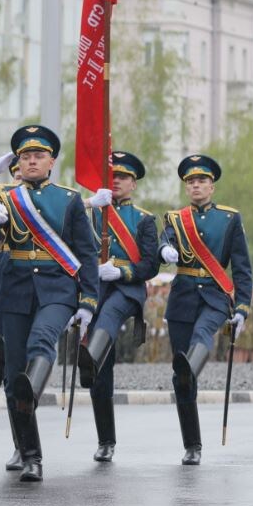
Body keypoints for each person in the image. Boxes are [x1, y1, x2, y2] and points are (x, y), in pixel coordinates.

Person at [0, 125, 99, 482]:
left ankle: (29, 402)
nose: (32, 161)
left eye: (39, 156)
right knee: (14, 373)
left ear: (51, 162)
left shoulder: (69, 199)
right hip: (14, 288)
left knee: (42, 342)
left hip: (56, 289)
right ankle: (27, 450)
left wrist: (88, 300)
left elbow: (87, 252)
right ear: (18, 163)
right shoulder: (2, 196)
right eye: (26, 156)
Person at [159, 154, 252, 465]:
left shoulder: (229, 219)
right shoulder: (174, 219)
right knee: (182, 379)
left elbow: (242, 268)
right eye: (191, 182)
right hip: (182, 299)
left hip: (214, 296)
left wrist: (242, 307)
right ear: (187, 188)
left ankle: (191, 367)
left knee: (202, 335)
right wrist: (164, 249)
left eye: (202, 181)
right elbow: (164, 241)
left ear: (212, 186)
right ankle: (192, 445)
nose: (196, 185)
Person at [78, 151, 161, 463]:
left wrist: (123, 272)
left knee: (109, 318)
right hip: (96, 287)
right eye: (113, 176)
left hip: (127, 289)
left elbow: (150, 265)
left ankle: (91, 354)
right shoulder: (94, 213)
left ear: (133, 184)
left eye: (123, 177)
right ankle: (106, 441)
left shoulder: (144, 219)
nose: (116, 182)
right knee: (101, 374)